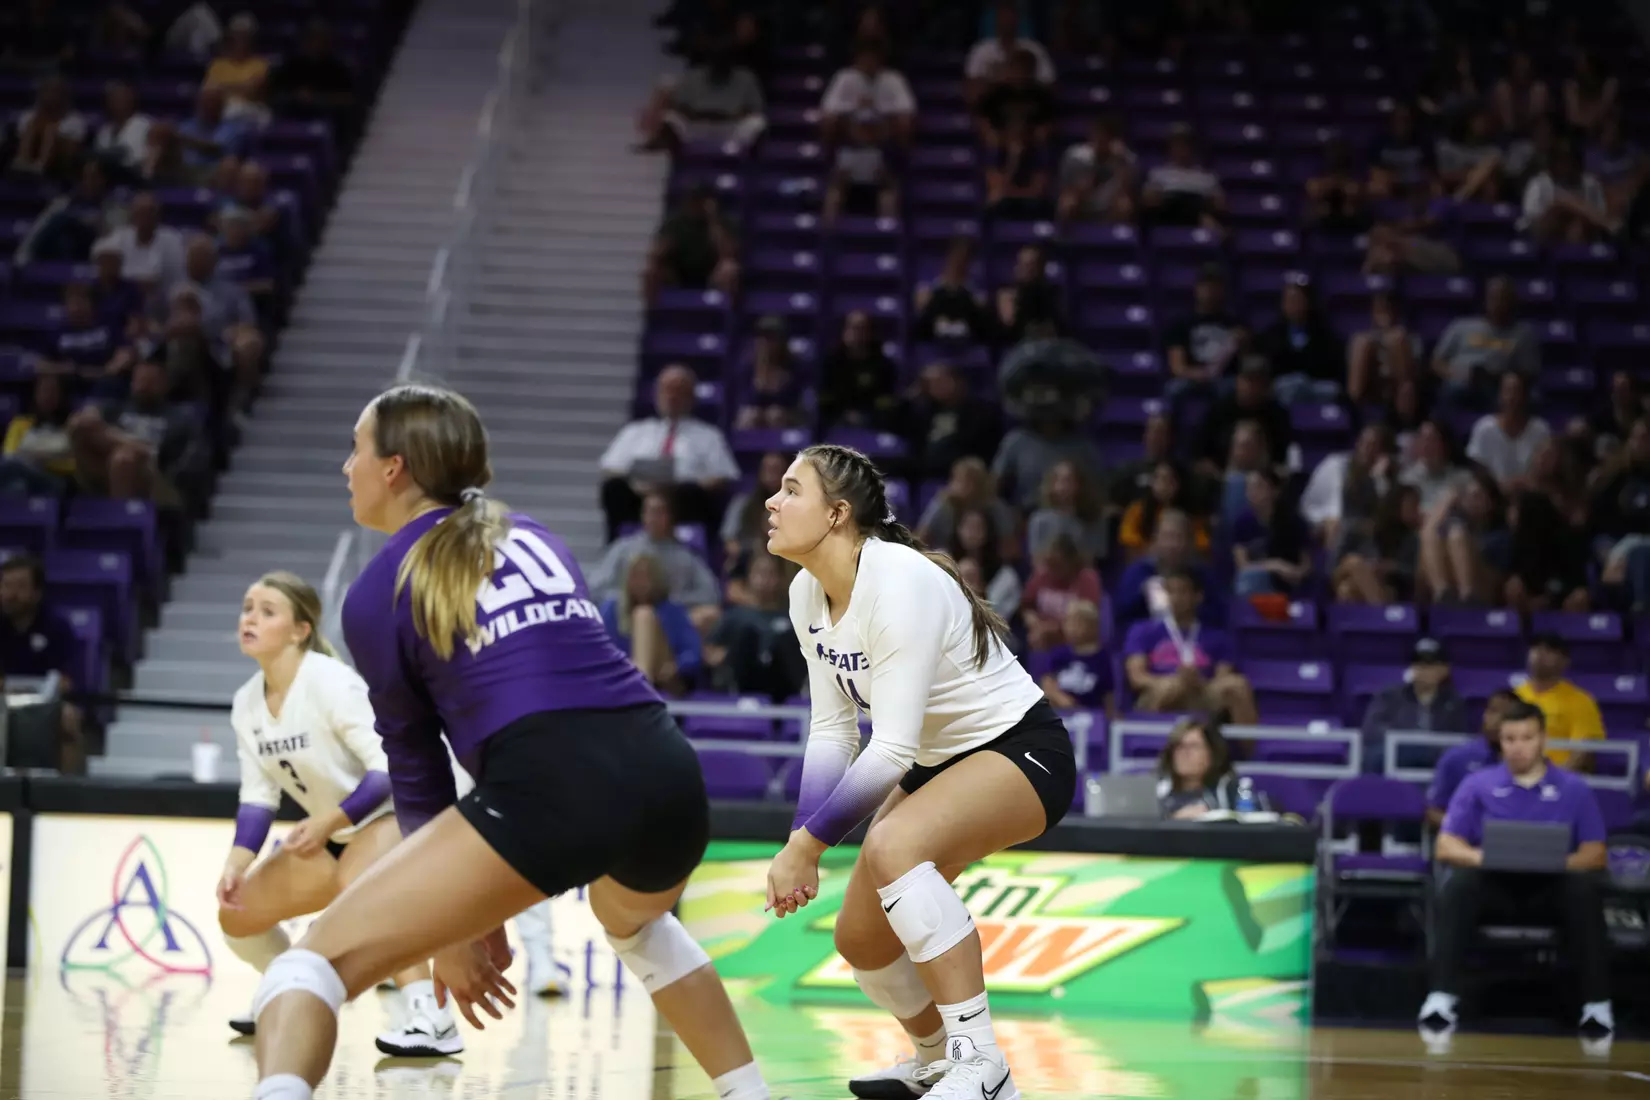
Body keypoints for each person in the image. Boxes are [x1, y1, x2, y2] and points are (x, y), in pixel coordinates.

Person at [248, 385, 770, 1100]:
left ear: (394, 468)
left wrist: (449, 927)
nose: (347, 467)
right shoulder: (532, 534)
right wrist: (469, 911)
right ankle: (751, 1094)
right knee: (639, 928)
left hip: (548, 780)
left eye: (355, 449)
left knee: (305, 969)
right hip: (664, 769)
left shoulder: (376, 591)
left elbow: (417, 769)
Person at [762, 443, 1076, 1100]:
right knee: (862, 940)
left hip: (1022, 750)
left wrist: (807, 847)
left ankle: (980, 1063)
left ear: (837, 514)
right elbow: (833, 730)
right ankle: (934, 1058)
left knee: (893, 844)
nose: (772, 501)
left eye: (791, 490)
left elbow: (892, 751)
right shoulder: (805, 593)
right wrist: (801, 837)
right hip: (937, 762)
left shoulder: (898, 580)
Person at [219, 571, 461, 1057]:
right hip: (338, 831)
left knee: (363, 887)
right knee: (237, 912)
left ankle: (431, 1018)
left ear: (300, 630)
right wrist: (237, 862)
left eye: (267, 611)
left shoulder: (330, 681)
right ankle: (288, 993)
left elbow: (388, 767)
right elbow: (258, 797)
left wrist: (330, 821)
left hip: (398, 814)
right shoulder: (246, 702)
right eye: (247, 608)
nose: (250, 618)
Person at [1421, 700, 1612, 1038]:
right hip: (1495, 886)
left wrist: (1556, 862)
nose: (1518, 747)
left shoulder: (1574, 788)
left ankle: (1596, 1005)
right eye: (1510, 739)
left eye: (1527, 738)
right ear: (1500, 740)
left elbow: (1595, 853)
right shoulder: (1477, 784)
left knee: (1584, 890)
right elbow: (1446, 845)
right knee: (1458, 885)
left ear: (1543, 740)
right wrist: (1486, 857)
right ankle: (1441, 998)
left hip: (1551, 889)